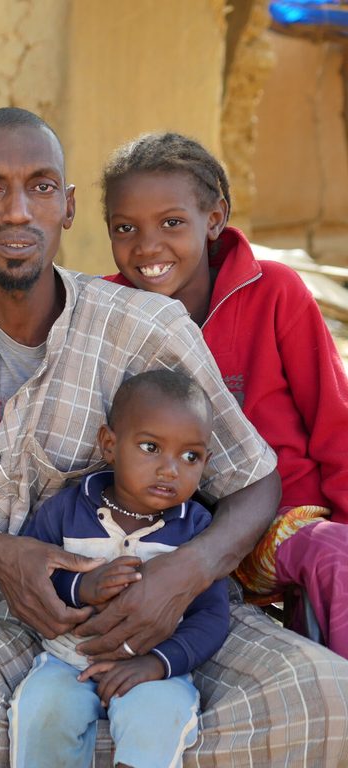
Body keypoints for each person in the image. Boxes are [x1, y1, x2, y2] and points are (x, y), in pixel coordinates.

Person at [0, 107, 348, 766]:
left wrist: (184, 574)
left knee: (325, 694)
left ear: (69, 206)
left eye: (41, 186)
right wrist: (2, 558)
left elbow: (254, 483)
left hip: (176, 620)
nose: (18, 210)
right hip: (1, 625)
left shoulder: (148, 328)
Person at [101, 131, 348, 655]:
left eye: (172, 223)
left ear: (214, 219)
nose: (147, 246)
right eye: (125, 228)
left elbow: (335, 422)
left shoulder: (274, 291)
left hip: (289, 523)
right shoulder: (107, 314)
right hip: (169, 534)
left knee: (331, 555)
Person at [8, 371, 229, 768]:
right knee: (42, 710)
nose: (170, 469)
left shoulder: (196, 530)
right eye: (151, 447)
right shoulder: (68, 509)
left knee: (159, 717)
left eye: (190, 456)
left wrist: (159, 662)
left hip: (154, 668)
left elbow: (211, 616)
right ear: (109, 445)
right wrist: (80, 586)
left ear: (206, 461)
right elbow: (34, 576)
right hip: (67, 662)